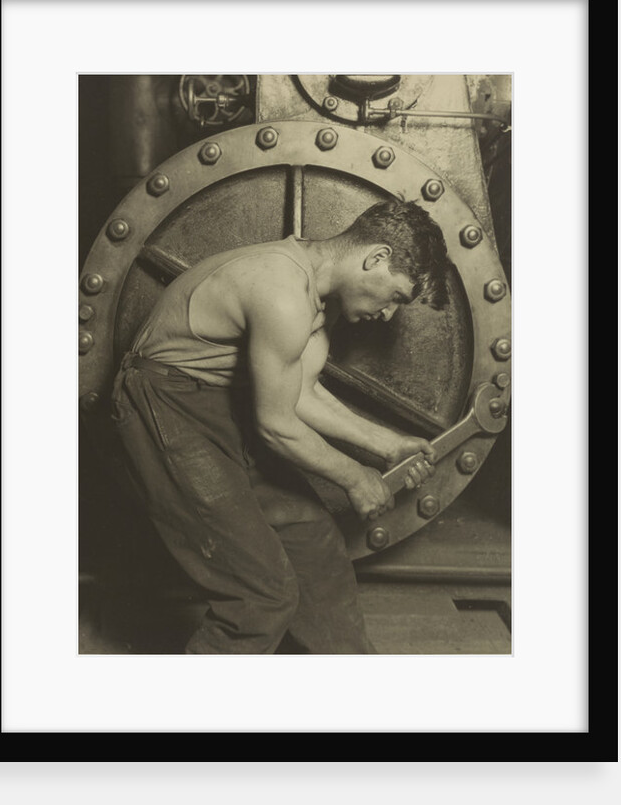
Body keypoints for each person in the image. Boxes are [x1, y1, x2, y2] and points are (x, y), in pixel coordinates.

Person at [111, 199, 450, 654]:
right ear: (376, 258)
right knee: (260, 595)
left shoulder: (318, 296)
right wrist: (356, 477)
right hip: (165, 405)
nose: (389, 314)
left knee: (316, 549)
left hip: (220, 405)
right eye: (396, 297)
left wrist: (388, 446)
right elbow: (275, 424)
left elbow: (301, 394)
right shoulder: (281, 289)